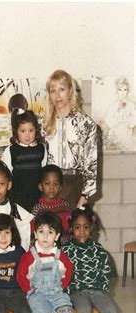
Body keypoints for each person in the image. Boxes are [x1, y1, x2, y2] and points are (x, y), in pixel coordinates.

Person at [17, 212, 76, 313]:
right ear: (35, 234)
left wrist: (60, 286)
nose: (45, 236)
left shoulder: (60, 255)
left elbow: (68, 272)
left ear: (57, 236)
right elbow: (21, 275)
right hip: (38, 294)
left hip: (57, 293)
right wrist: (29, 290)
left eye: (50, 232)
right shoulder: (30, 256)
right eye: (41, 231)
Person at [63, 206, 117, 313]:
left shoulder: (98, 250)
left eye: (86, 227)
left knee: (111, 310)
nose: (82, 232)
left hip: (97, 290)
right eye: (78, 228)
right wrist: (67, 292)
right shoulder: (66, 250)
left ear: (92, 228)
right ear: (71, 229)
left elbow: (105, 271)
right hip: (77, 291)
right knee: (84, 310)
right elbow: (62, 273)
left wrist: (102, 289)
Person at [42, 69, 98, 209]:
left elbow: (91, 163)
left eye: (61, 89)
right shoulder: (42, 124)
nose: (57, 95)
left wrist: (84, 196)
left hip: (75, 185)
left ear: (71, 91)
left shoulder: (86, 123)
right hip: (49, 186)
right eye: (52, 90)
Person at [1, 109, 47, 211]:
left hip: (37, 196)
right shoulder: (11, 150)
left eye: (31, 130)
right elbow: (6, 176)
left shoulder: (41, 149)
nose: (27, 135)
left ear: (36, 130)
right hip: (18, 196)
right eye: (23, 131)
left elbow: (43, 172)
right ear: (16, 131)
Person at [31, 164, 72, 245]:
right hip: (45, 248)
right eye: (47, 183)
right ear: (40, 186)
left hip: (65, 247)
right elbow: (33, 234)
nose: (51, 187)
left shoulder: (66, 206)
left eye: (55, 184)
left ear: (60, 187)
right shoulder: (37, 209)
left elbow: (71, 230)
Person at [105, 76, 136, 150]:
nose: (122, 93)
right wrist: (116, 121)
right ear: (117, 91)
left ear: (127, 91)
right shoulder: (113, 106)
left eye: (125, 90)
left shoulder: (131, 105)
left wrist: (128, 121)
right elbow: (108, 119)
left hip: (127, 131)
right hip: (116, 132)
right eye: (120, 90)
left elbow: (134, 117)